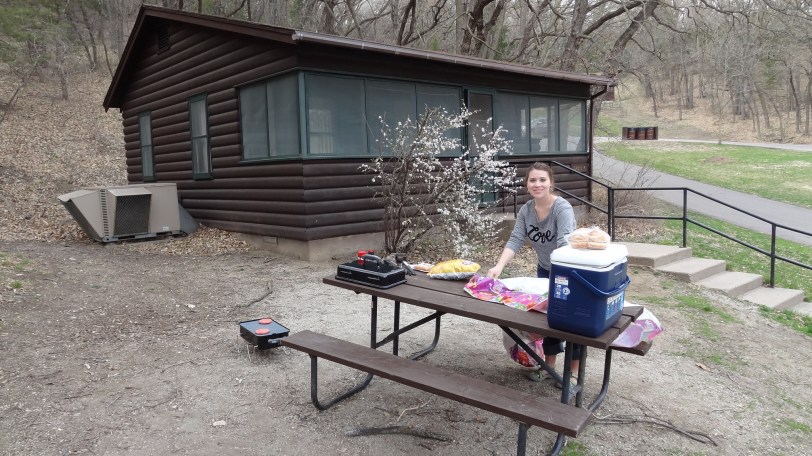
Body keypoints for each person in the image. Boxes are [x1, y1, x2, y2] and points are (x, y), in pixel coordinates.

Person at [486, 162, 579, 387]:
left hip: (569, 272)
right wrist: (499, 266)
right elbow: (516, 239)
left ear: (551, 183)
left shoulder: (562, 208)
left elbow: (565, 243)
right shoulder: (527, 210)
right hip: (544, 270)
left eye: (542, 180)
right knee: (549, 320)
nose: (537, 184)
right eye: (533, 180)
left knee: (574, 323)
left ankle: (574, 373)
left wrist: (558, 278)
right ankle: (550, 367)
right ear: (527, 184)